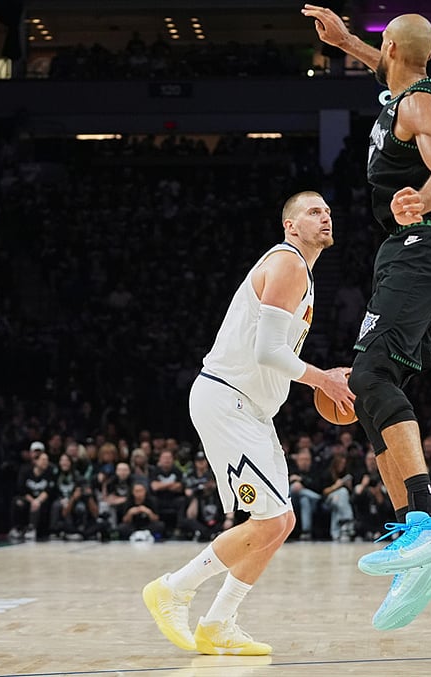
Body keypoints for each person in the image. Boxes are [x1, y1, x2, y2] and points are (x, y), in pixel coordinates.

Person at [302, 5, 431, 629]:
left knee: (368, 376)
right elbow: (391, 72)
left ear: (395, 49)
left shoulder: (419, 106)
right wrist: (347, 42)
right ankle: (416, 551)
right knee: (371, 387)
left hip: (426, 243)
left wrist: (418, 201)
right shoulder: (405, 91)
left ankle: (429, 524)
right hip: (419, 253)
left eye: (378, 45)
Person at [143, 191, 354, 656]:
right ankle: (173, 589)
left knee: (280, 523)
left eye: (328, 212)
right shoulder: (288, 262)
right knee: (271, 519)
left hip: (253, 410)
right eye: (314, 212)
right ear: (290, 225)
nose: (326, 217)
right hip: (227, 398)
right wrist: (327, 380)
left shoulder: (304, 272)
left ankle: (218, 622)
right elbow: (267, 352)